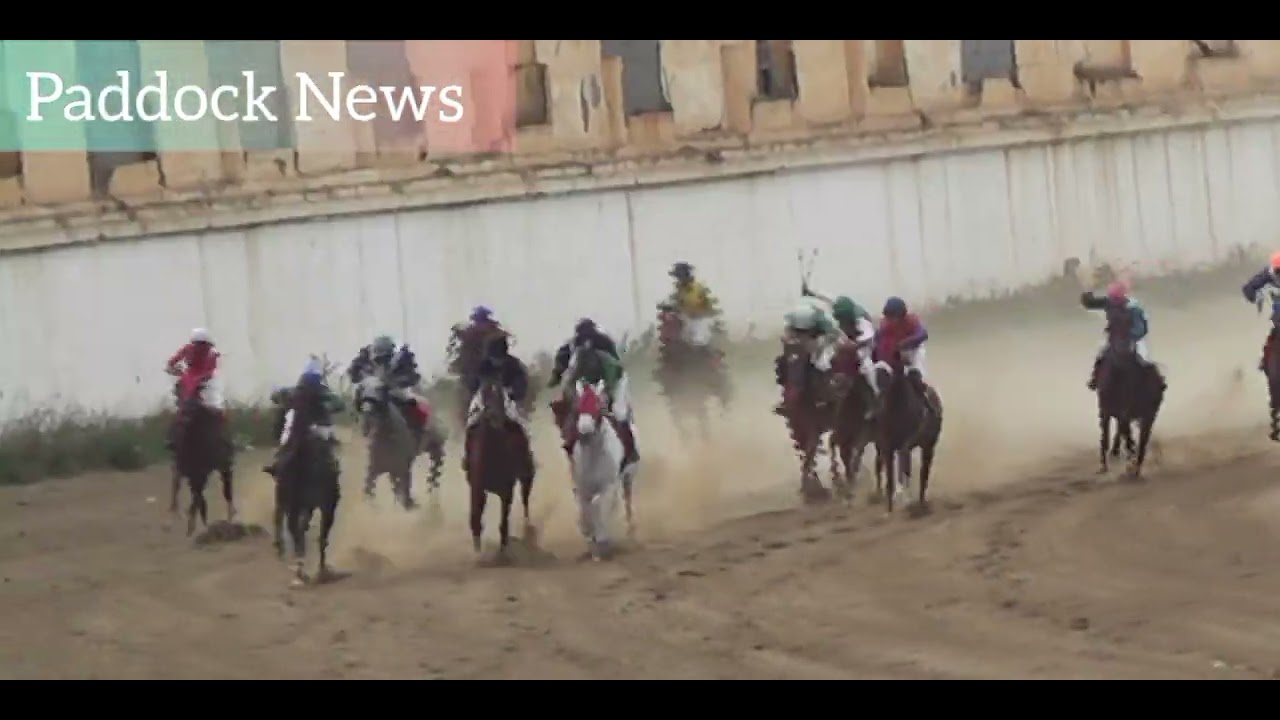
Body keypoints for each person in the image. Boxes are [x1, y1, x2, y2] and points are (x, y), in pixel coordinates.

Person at [463, 334, 534, 472]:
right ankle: (468, 458)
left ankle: (526, 459)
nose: (497, 360)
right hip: (483, 396)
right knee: (471, 424)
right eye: (494, 356)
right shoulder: (482, 365)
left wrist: (515, 391)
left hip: (508, 397)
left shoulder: (514, 364)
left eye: (499, 356)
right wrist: (478, 389)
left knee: (520, 424)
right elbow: (472, 384)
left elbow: (521, 382)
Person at [803, 286, 880, 409]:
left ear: (847, 317)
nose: (839, 321)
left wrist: (849, 345)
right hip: (848, 340)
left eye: (841, 319)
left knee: (867, 366)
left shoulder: (862, 322)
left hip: (865, 344)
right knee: (822, 361)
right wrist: (811, 293)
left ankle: (876, 396)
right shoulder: (840, 305)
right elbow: (828, 298)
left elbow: (867, 338)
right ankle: (824, 393)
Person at [264, 359, 339, 478]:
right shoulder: (308, 391)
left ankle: (279, 464)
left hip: (315, 426)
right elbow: (338, 405)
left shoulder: (317, 391)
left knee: (291, 442)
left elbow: (338, 404)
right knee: (290, 441)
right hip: (312, 426)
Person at [348, 334, 429, 439]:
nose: (382, 360)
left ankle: (418, 431)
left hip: (395, 390)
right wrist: (357, 369)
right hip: (375, 392)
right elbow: (354, 374)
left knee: (414, 403)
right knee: (360, 397)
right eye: (379, 356)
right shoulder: (366, 362)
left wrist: (404, 379)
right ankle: (366, 424)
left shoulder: (401, 359)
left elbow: (413, 376)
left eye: (385, 356)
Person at [772, 300, 845, 415]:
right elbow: (787, 337)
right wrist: (790, 342)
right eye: (799, 330)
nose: (801, 332)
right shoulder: (793, 322)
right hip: (804, 349)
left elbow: (831, 338)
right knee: (783, 363)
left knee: (822, 364)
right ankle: (785, 398)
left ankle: (824, 394)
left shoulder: (825, 325)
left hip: (823, 346)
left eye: (804, 330)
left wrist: (816, 347)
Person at [1081, 281, 1159, 390]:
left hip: (1131, 341)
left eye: (1115, 297)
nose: (1114, 300)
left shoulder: (1133, 307)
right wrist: (1088, 289)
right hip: (1114, 340)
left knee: (1145, 358)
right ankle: (1095, 379)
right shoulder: (1109, 303)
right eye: (1113, 297)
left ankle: (1155, 383)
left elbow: (1142, 328)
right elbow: (1090, 303)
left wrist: (1129, 334)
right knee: (1101, 355)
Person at [874, 296, 939, 416]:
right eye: (889, 316)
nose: (891, 320)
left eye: (894, 316)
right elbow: (877, 342)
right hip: (895, 354)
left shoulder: (912, 321)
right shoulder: (884, 326)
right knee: (880, 373)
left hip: (914, 351)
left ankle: (928, 405)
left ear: (902, 315)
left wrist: (907, 343)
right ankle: (879, 404)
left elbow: (923, 334)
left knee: (916, 377)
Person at [165, 327, 227, 450]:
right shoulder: (188, 349)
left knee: (215, 406)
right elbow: (172, 362)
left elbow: (211, 369)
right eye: (196, 344)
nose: (198, 347)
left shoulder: (211, 352)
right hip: (190, 378)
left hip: (206, 381)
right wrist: (174, 369)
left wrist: (203, 378)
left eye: (201, 344)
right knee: (181, 406)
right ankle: (174, 437)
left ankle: (221, 437)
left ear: (206, 344)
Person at [549, 318, 621, 389]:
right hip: (583, 370)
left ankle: (609, 386)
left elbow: (613, 358)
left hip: (598, 370)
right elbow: (563, 356)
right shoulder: (576, 343)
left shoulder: (601, 340)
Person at [665, 261, 719, 348]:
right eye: (677, 276)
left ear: (686, 275)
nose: (678, 278)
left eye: (679, 275)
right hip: (688, 319)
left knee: (698, 342)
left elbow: (696, 305)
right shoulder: (680, 289)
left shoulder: (697, 288)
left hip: (701, 319)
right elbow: (678, 304)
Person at [1241, 252, 1280, 372]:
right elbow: (1248, 288)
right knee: (1276, 327)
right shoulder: (1266, 274)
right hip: (1278, 309)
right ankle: (1265, 358)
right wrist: (1253, 295)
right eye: (1279, 271)